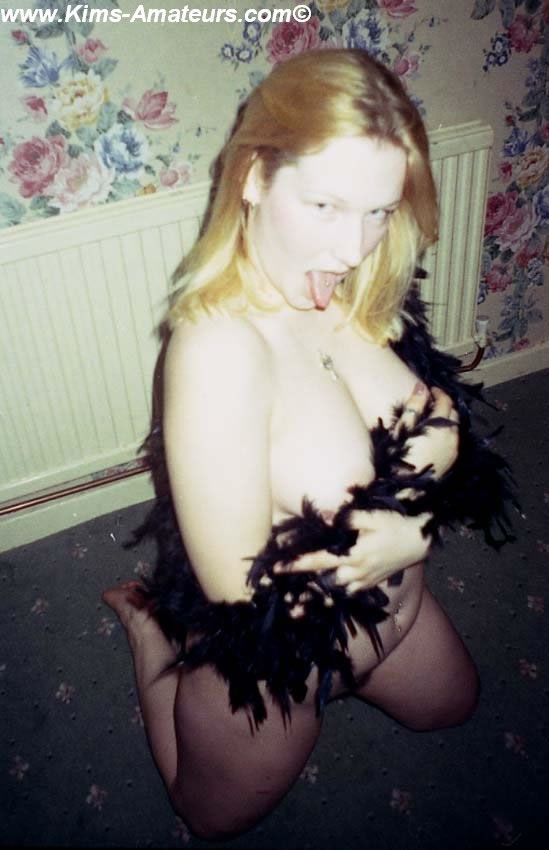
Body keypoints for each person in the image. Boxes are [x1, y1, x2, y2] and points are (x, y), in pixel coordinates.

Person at [103, 48, 514, 840]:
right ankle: (151, 638)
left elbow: (436, 415)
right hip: (279, 671)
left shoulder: (331, 290)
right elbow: (241, 591)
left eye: (377, 211)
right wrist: (409, 528)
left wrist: (412, 515)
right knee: (206, 817)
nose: (354, 247)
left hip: (396, 616)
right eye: (325, 205)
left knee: (452, 707)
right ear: (254, 176)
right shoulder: (218, 351)